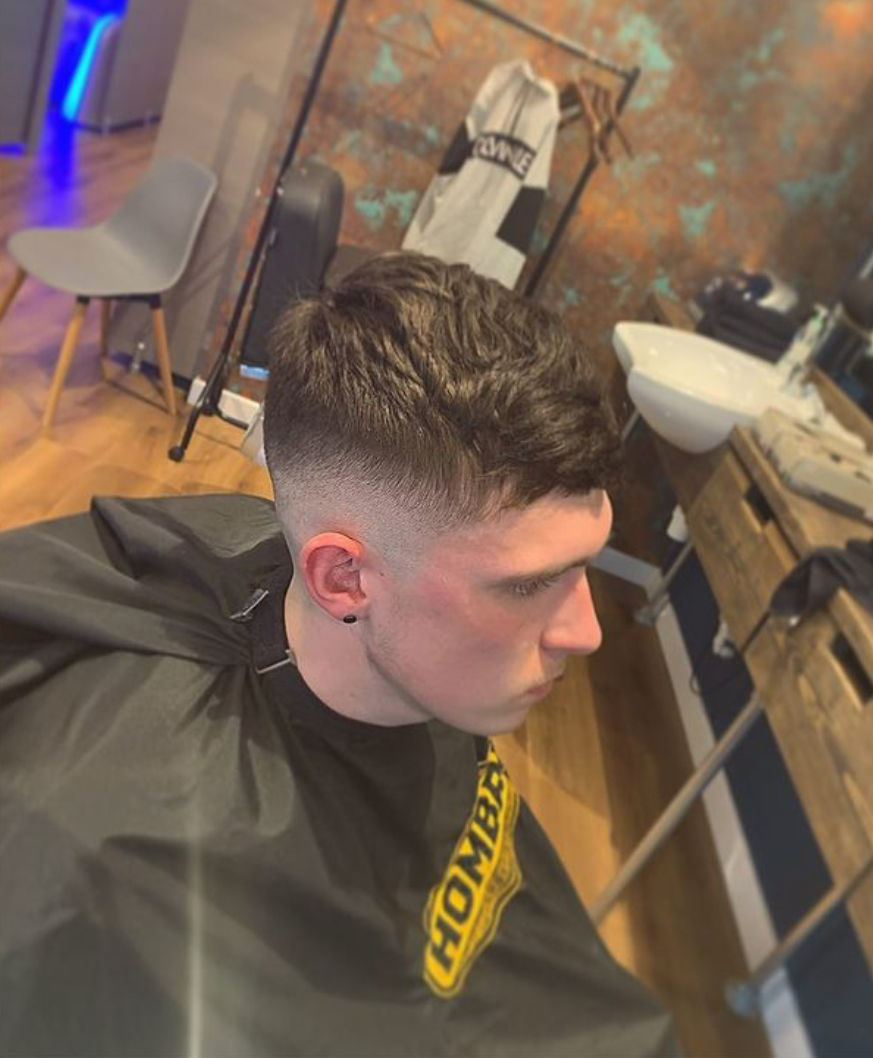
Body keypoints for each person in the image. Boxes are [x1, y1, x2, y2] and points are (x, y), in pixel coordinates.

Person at [0, 252, 677, 1056]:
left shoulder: (414, 655)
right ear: (343, 578)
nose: (586, 632)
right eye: (528, 585)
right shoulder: (104, 860)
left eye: (582, 567)